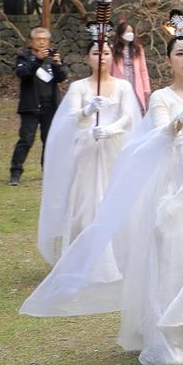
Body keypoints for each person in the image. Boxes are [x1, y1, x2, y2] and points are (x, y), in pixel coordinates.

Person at [20, 23, 183, 365]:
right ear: (168, 60)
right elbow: (155, 137)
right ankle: (172, 336)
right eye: (178, 53)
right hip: (174, 183)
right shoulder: (161, 97)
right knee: (174, 250)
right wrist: (180, 123)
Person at [37, 39, 141, 265]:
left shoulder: (123, 86)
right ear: (87, 58)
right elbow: (71, 117)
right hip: (86, 150)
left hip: (114, 149)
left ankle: (118, 256)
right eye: (96, 53)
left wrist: (110, 129)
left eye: (105, 52)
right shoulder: (79, 87)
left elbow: (128, 116)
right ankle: (85, 256)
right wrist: (88, 109)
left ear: (112, 57)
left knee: (115, 200)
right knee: (86, 205)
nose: (101, 57)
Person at [9, 26, 68, 186]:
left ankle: (47, 170)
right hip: (31, 106)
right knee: (26, 139)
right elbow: (23, 74)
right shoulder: (24, 57)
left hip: (51, 106)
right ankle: (15, 172)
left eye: (45, 39)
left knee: (49, 139)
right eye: (38, 39)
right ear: (31, 41)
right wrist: (38, 60)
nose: (42, 42)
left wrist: (57, 64)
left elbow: (62, 77)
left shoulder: (53, 57)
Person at [111, 20, 151, 114]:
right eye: (127, 32)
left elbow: (143, 70)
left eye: (131, 32)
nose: (130, 34)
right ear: (120, 34)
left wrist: (147, 88)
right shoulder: (112, 49)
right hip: (119, 82)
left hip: (135, 82)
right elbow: (110, 70)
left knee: (137, 107)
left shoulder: (138, 49)